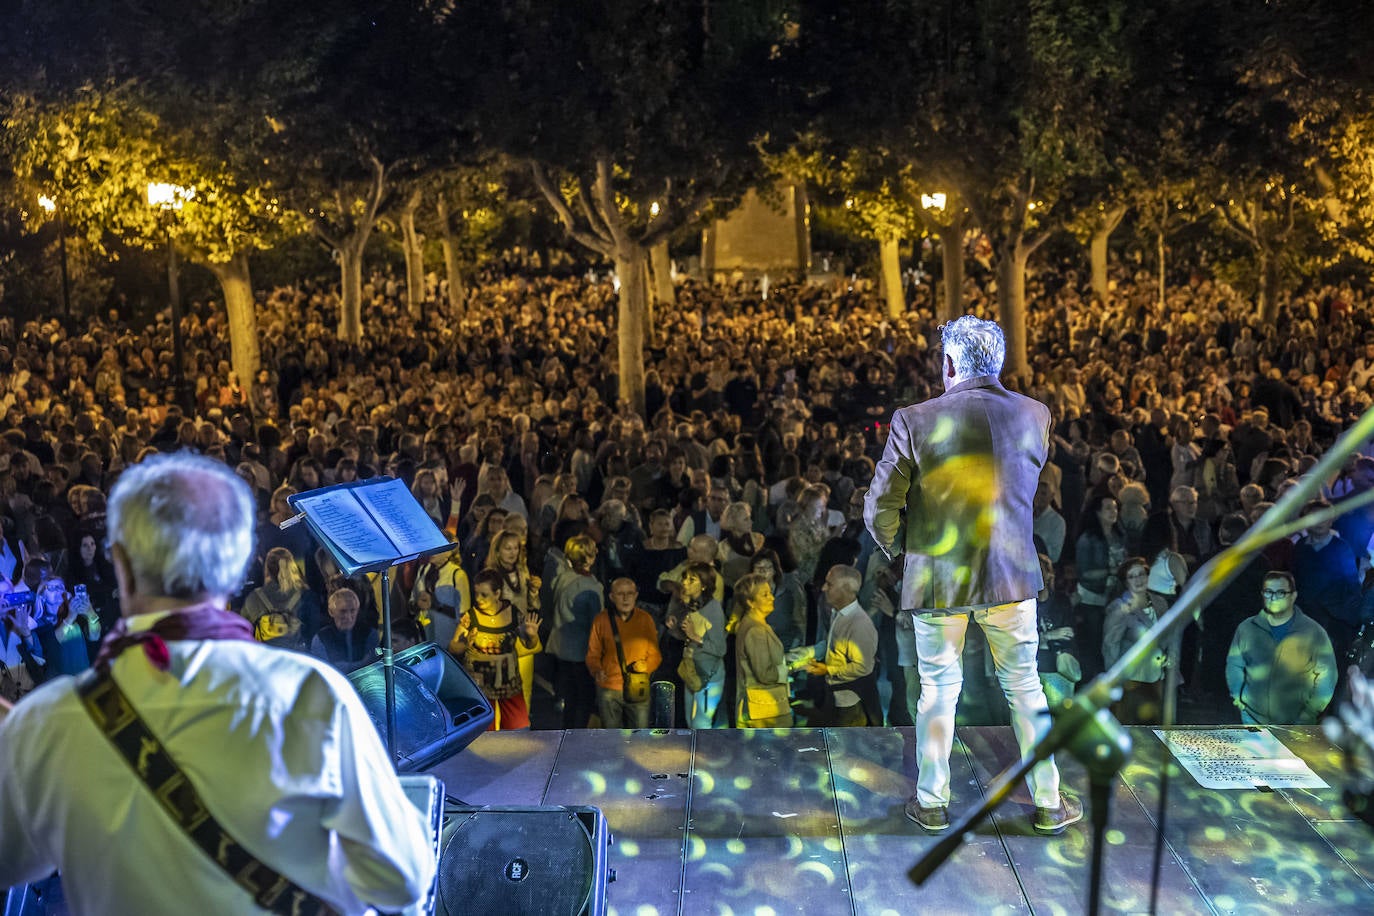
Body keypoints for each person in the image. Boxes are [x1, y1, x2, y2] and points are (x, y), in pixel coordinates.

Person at [0, 452, 435, 914]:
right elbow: (402, 879)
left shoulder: (52, 721)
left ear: (121, 563)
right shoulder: (309, 695)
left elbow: (11, 864)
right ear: (235, 567)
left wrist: (18, 744)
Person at [865, 315, 1080, 836]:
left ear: (949, 364)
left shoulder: (914, 419)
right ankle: (1049, 802)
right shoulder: (1035, 414)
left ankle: (932, 802)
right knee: (1026, 686)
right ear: (998, 362)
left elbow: (879, 508)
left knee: (938, 689)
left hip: (939, 579)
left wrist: (905, 550)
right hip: (1010, 578)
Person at [1227, 571, 1337, 726]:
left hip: (1297, 723)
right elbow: (1234, 664)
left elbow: (1327, 675)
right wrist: (1238, 697)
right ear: (1262, 594)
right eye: (1268, 592)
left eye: (1280, 592)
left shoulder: (1313, 632)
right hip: (1253, 720)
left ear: (1293, 596)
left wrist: (1310, 712)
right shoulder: (1246, 628)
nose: (1273, 598)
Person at [449, 568, 542, 730]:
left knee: (518, 730)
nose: (478, 599)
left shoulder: (513, 614)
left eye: (484, 595)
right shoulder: (471, 617)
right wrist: (465, 644)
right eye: (476, 593)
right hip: (481, 687)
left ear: (497, 593)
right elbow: (453, 647)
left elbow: (529, 645)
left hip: (509, 684)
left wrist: (532, 635)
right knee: (483, 732)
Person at [804, 564, 880, 727]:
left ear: (846, 589)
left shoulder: (859, 624)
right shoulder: (838, 614)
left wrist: (828, 670)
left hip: (850, 705)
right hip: (835, 698)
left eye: (829, 584)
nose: (824, 588)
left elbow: (863, 667)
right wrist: (808, 653)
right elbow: (833, 644)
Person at [1102, 557, 1171, 725]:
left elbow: (1170, 634)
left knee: (1155, 727)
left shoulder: (1160, 602)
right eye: (1132, 576)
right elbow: (1110, 645)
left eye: (1141, 574)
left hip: (1156, 677)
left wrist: (1169, 657)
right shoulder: (1120, 608)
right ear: (1126, 582)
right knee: (1131, 728)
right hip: (1131, 680)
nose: (1139, 579)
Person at [585, 578, 661, 728]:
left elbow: (655, 655)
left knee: (640, 737)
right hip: (609, 688)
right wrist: (597, 670)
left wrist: (646, 667)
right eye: (620, 594)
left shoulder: (645, 619)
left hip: (637, 687)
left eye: (630, 593)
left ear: (636, 595)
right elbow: (593, 653)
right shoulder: (601, 620)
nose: (626, 599)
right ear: (612, 597)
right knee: (612, 737)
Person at [732, 572, 794, 728]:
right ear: (750, 602)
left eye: (770, 593)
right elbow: (765, 674)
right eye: (765, 595)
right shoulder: (755, 630)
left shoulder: (754, 624)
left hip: (762, 709)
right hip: (764, 712)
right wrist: (792, 668)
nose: (772, 598)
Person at [310, 586, 380, 674]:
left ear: (358, 610)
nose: (348, 617)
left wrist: (339, 666)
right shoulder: (320, 639)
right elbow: (324, 671)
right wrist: (362, 664)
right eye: (343, 611)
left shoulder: (370, 633)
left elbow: (374, 665)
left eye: (352, 611)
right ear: (331, 612)